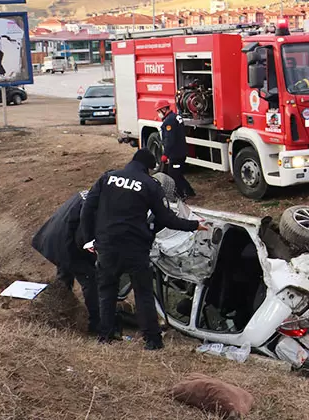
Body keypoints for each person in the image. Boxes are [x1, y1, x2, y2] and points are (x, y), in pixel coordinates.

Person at [81, 149, 206, 350]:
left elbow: (87, 209)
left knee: (107, 292)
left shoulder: (108, 178)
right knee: (143, 293)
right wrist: (193, 225)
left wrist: (90, 240)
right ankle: (152, 341)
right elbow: (166, 219)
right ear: (148, 167)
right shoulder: (149, 185)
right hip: (135, 248)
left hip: (107, 245)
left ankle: (105, 337)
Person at [31, 189, 99, 334]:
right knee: (90, 279)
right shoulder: (97, 204)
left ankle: (61, 311)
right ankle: (96, 326)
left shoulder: (91, 193)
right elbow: (83, 238)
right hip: (66, 243)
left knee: (64, 276)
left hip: (55, 235)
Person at [155, 100, 196, 200]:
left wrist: (165, 154)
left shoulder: (169, 121)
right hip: (181, 152)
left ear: (164, 109)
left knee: (174, 174)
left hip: (176, 154)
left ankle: (181, 194)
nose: (158, 114)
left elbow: (170, 140)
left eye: (159, 111)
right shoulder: (176, 117)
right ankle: (190, 192)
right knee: (177, 173)